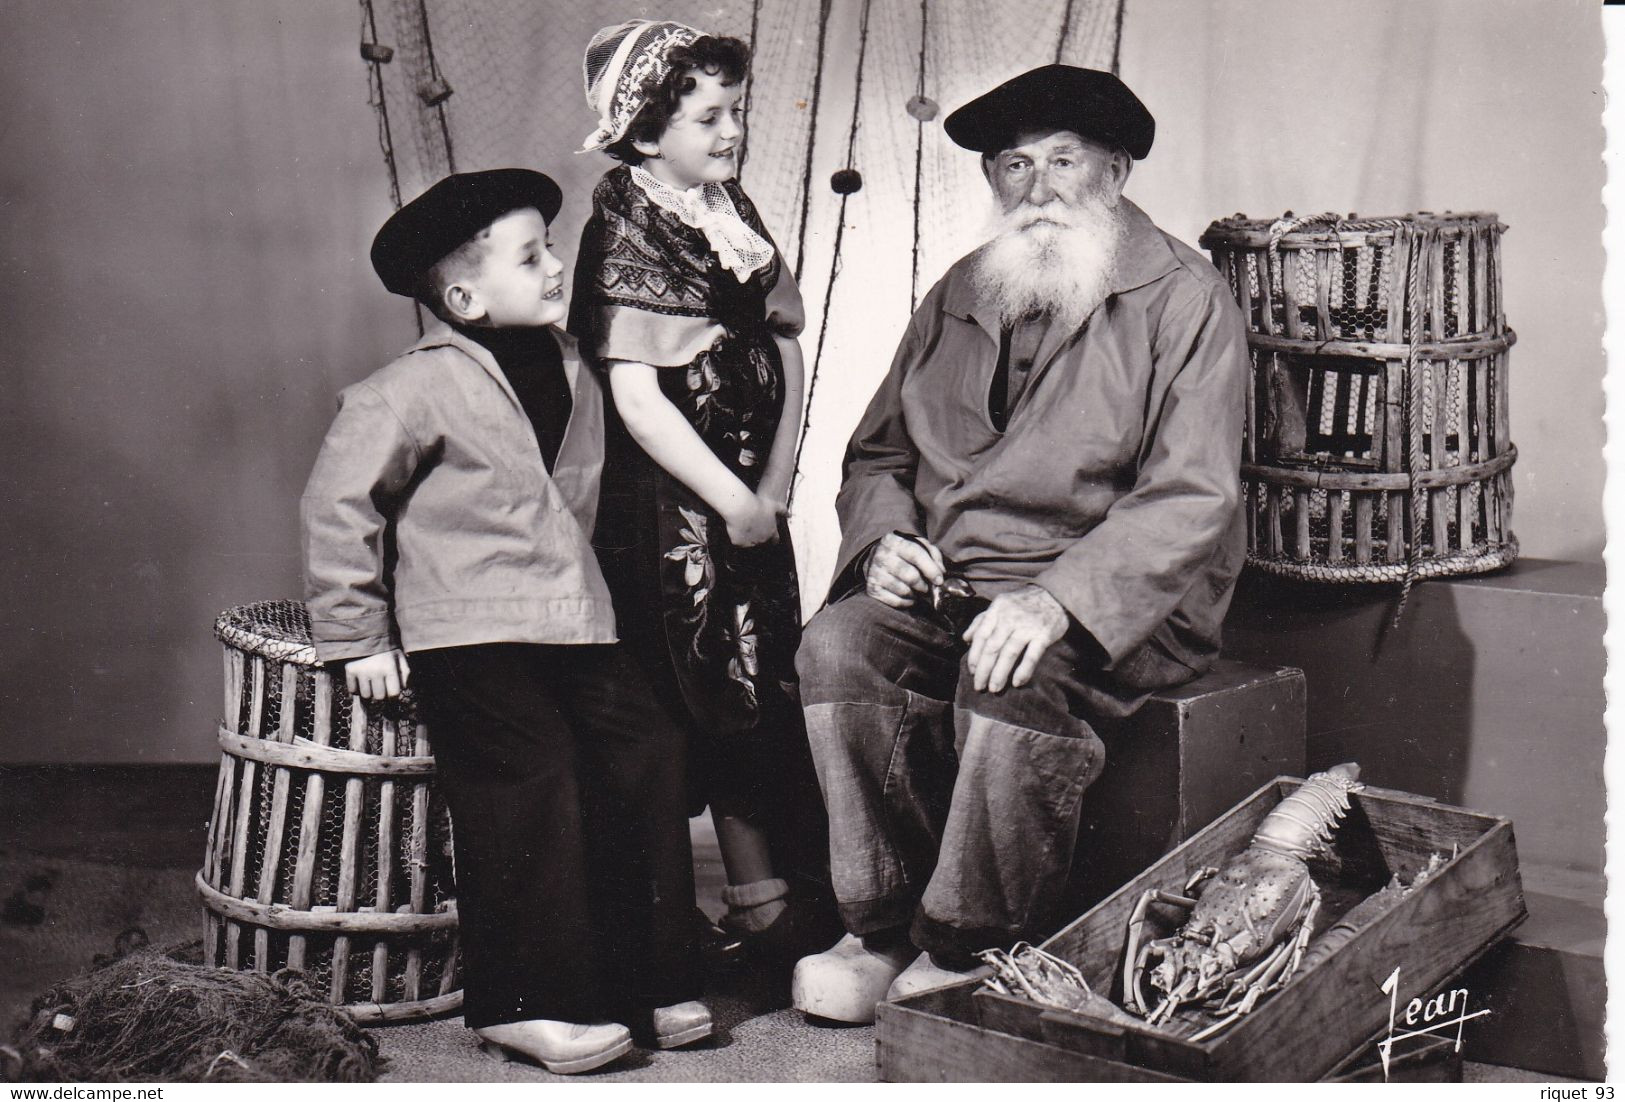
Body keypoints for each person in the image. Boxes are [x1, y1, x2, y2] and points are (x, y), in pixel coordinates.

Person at [789, 65, 1251, 1023]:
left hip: (1120, 596)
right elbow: (877, 450)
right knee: (838, 646)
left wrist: (1057, 601)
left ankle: (967, 941)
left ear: (1115, 173)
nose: (1035, 187)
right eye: (1012, 166)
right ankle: (877, 927)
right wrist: (883, 541)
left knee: (1008, 673)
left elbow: (1190, 493)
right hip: (957, 581)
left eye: (1062, 161)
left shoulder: (1186, 300)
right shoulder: (961, 290)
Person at [301, 169, 709, 1072]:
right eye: (533, 256)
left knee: (647, 752)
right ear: (463, 296)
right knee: (533, 776)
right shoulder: (407, 390)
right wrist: (358, 636)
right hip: (469, 632)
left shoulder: (579, 366)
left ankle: (642, 978)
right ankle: (525, 999)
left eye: (551, 247)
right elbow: (338, 509)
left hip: (574, 621)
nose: (557, 265)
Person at [569, 20, 835, 963]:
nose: (732, 131)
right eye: (709, 116)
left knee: (758, 680)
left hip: (748, 503)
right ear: (645, 135)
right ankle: (673, 918)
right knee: (694, 685)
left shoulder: (730, 210)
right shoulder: (624, 226)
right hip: (668, 506)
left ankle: (765, 893)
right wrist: (727, 499)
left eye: (737, 111)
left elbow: (783, 346)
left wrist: (769, 486)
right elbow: (637, 399)